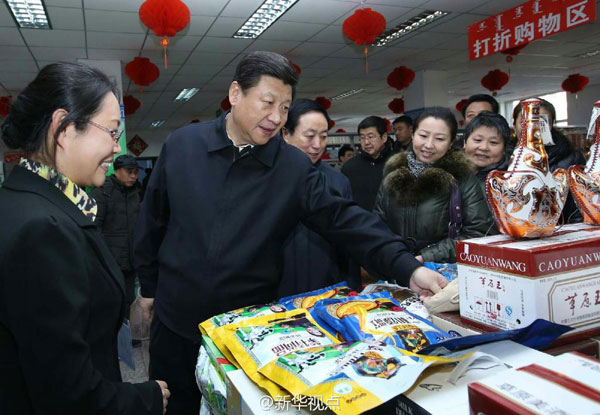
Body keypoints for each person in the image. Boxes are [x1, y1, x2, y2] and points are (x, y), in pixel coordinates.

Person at [134, 51, 448, 413]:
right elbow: (153, 220)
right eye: (267, 103)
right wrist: (149, 287)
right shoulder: (183, 145)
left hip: (248, 331)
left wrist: (406, 265)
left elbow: (345, 219)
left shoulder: (291, 167)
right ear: (235, 93)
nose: (276, 117)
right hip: (176, 320)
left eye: (284, 108)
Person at [0, 62, 168, 414]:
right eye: (111, 132)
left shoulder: (29, 201)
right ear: (64, 128)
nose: (116, 147)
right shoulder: (42, 229)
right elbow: (65, 391)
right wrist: (147, 398)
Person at [374, 107, 490, 262]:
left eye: (439, 139)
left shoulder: (462, 178)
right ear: (413, 134)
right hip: (396, 267)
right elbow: (378, 224)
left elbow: (478, 233)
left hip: (440, 270)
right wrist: (394, 257)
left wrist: (425, 257)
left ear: (450, 143)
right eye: (423, 136)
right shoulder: (393, 173)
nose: (429, 145)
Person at [279, 98, 360, 296]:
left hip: (327, 288)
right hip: (276, 292)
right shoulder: (266, 178)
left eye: (323, 137)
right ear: (286, 134)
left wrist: (352, 289)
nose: (317, 145)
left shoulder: (338, 181)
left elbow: (350, 242)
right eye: (309, 136)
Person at [511, 98, 585, 223]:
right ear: (514, 125)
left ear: (551, 125)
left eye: (542, 123)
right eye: (525, 122)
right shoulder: (506, 157)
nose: (533, 128)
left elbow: (578, 210)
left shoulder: (570, 159)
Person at [90, 154, 141, 317]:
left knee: (129, 301)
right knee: (111, 302)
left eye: (136, 172)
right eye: (129, 171)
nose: (133, 176)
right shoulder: (102, 191)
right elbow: (93, 227)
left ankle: (127, 331)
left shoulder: (137, 192)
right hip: (110, 260)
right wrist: (102, 257)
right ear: (117, 171)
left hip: (131, 259)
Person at [463, 111, 511, 234]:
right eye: (477, 140)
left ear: (504, 149)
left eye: (493, 143)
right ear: (465, 142)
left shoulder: (511, 182)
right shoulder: (451, 175)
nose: (484, 147)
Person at [342, 115, 395, 211]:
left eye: (371, 137)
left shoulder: (398, 164)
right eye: (362, 137)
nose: (366, 142)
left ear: (384, 137)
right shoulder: (349, 167)